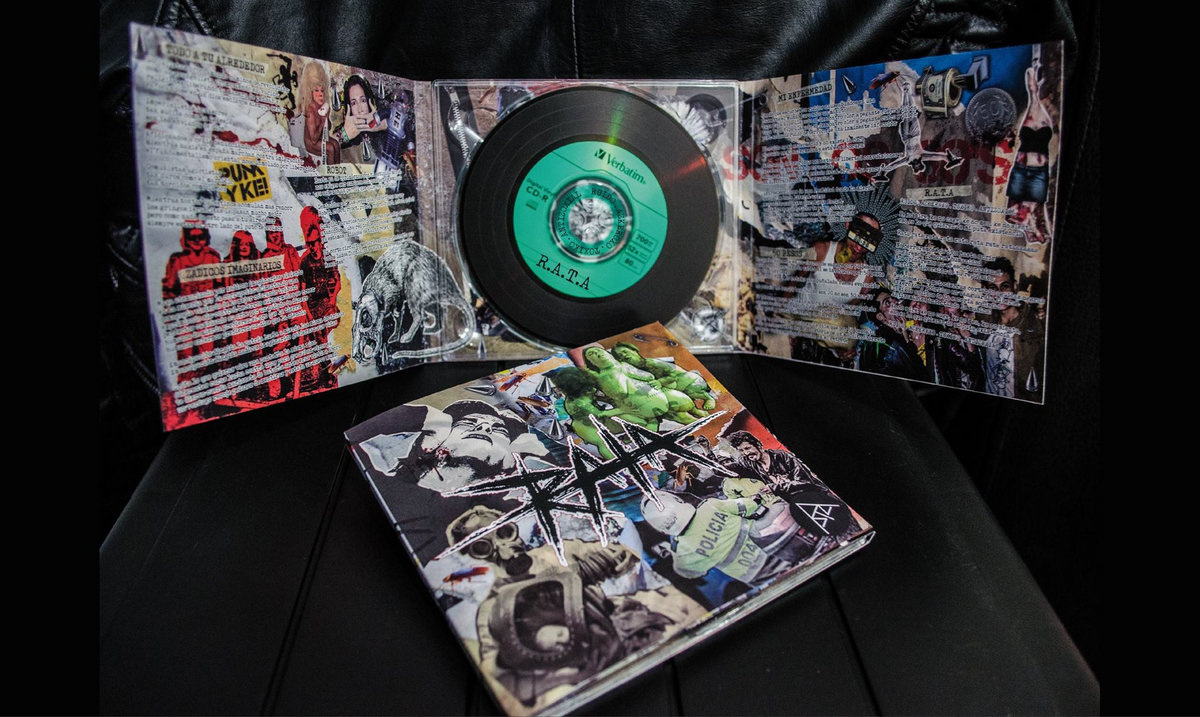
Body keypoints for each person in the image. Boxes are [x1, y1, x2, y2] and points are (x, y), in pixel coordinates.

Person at [786, 212, 881, 367]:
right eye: (857, 237)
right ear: (848, 226)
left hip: (820, 338)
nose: (859, 247)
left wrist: (845, 349)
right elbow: (792, 284)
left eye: (867, 243)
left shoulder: (867, 279)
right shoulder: (821, 250)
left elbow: (847, 315)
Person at [1005, 52, 1055, 244]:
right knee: (1024, 209)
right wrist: (1034, 67)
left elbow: (1031, 82)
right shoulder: (1036, 109)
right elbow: (1030, 78)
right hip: (1025, 169)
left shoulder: (1043, 114)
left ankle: (1033, 231)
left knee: (1023, 209)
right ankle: (1033, 230)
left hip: (1031, 171)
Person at [981, 257, 1045, 401]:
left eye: (1005, 287)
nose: (999, 294)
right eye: (993, 288)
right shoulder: (983, 322)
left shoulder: (1034, 326)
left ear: (1014, 286)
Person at [298, 207, 341, 391]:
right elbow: (302, 293)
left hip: (326, 306)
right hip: (312, 309)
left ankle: (327, 372)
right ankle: (322, 374)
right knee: (316, 338)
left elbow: (336, 282)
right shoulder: (304, 262)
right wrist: (309, 316)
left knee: (323, 335)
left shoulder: (328, 258)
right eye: (311, 244)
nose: (314, 247)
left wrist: (331, 302)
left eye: (317, 242)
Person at [610, 341, 716, 411]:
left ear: (634, 350)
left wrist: (660, 382)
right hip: (675, 388)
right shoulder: (634, 371)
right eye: (620, 356)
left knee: (691, 393)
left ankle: (708, 398)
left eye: (625, 352)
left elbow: (673, 376)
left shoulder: (651, 363)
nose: (624, 356)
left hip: (689, 381)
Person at [725, 430, 821, 491]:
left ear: (758, 445)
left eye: (747, 448)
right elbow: (729, 468)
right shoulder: (748, 461)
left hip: (817, 495)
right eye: (741, 450)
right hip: (795, 503)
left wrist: (773, 488)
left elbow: (806, 482)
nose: (745, 453)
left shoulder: (782, 456)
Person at [335, 74, 389, 165]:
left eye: (363, 100)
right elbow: (323, 149)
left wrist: (384, 125)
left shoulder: (382, 126)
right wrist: (345, 135)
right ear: (348, 108)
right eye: (353, 103)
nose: (360, 110)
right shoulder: (343, 131)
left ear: (370, 102)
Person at [161, 220, 221, 300]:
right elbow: (169, 289)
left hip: (209, 303)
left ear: (206, 238)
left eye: (201, 237)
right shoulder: (177, 260)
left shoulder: (213, 257)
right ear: (186, 239)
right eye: (192, 237)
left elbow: (219, 285)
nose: (197, 240)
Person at [298, 60, 340, 165]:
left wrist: (327, 117)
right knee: (330, 148)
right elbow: (314, 139)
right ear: (310, 91)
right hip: (311, 143)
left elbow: (328, 128)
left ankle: (336, 172)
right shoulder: (310, 110)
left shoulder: (321, 106)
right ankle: (328, 174)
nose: (321, 94)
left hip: (320, 138)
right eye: (316, 90)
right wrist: (322, 119)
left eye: (322, 90)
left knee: (336, 144)